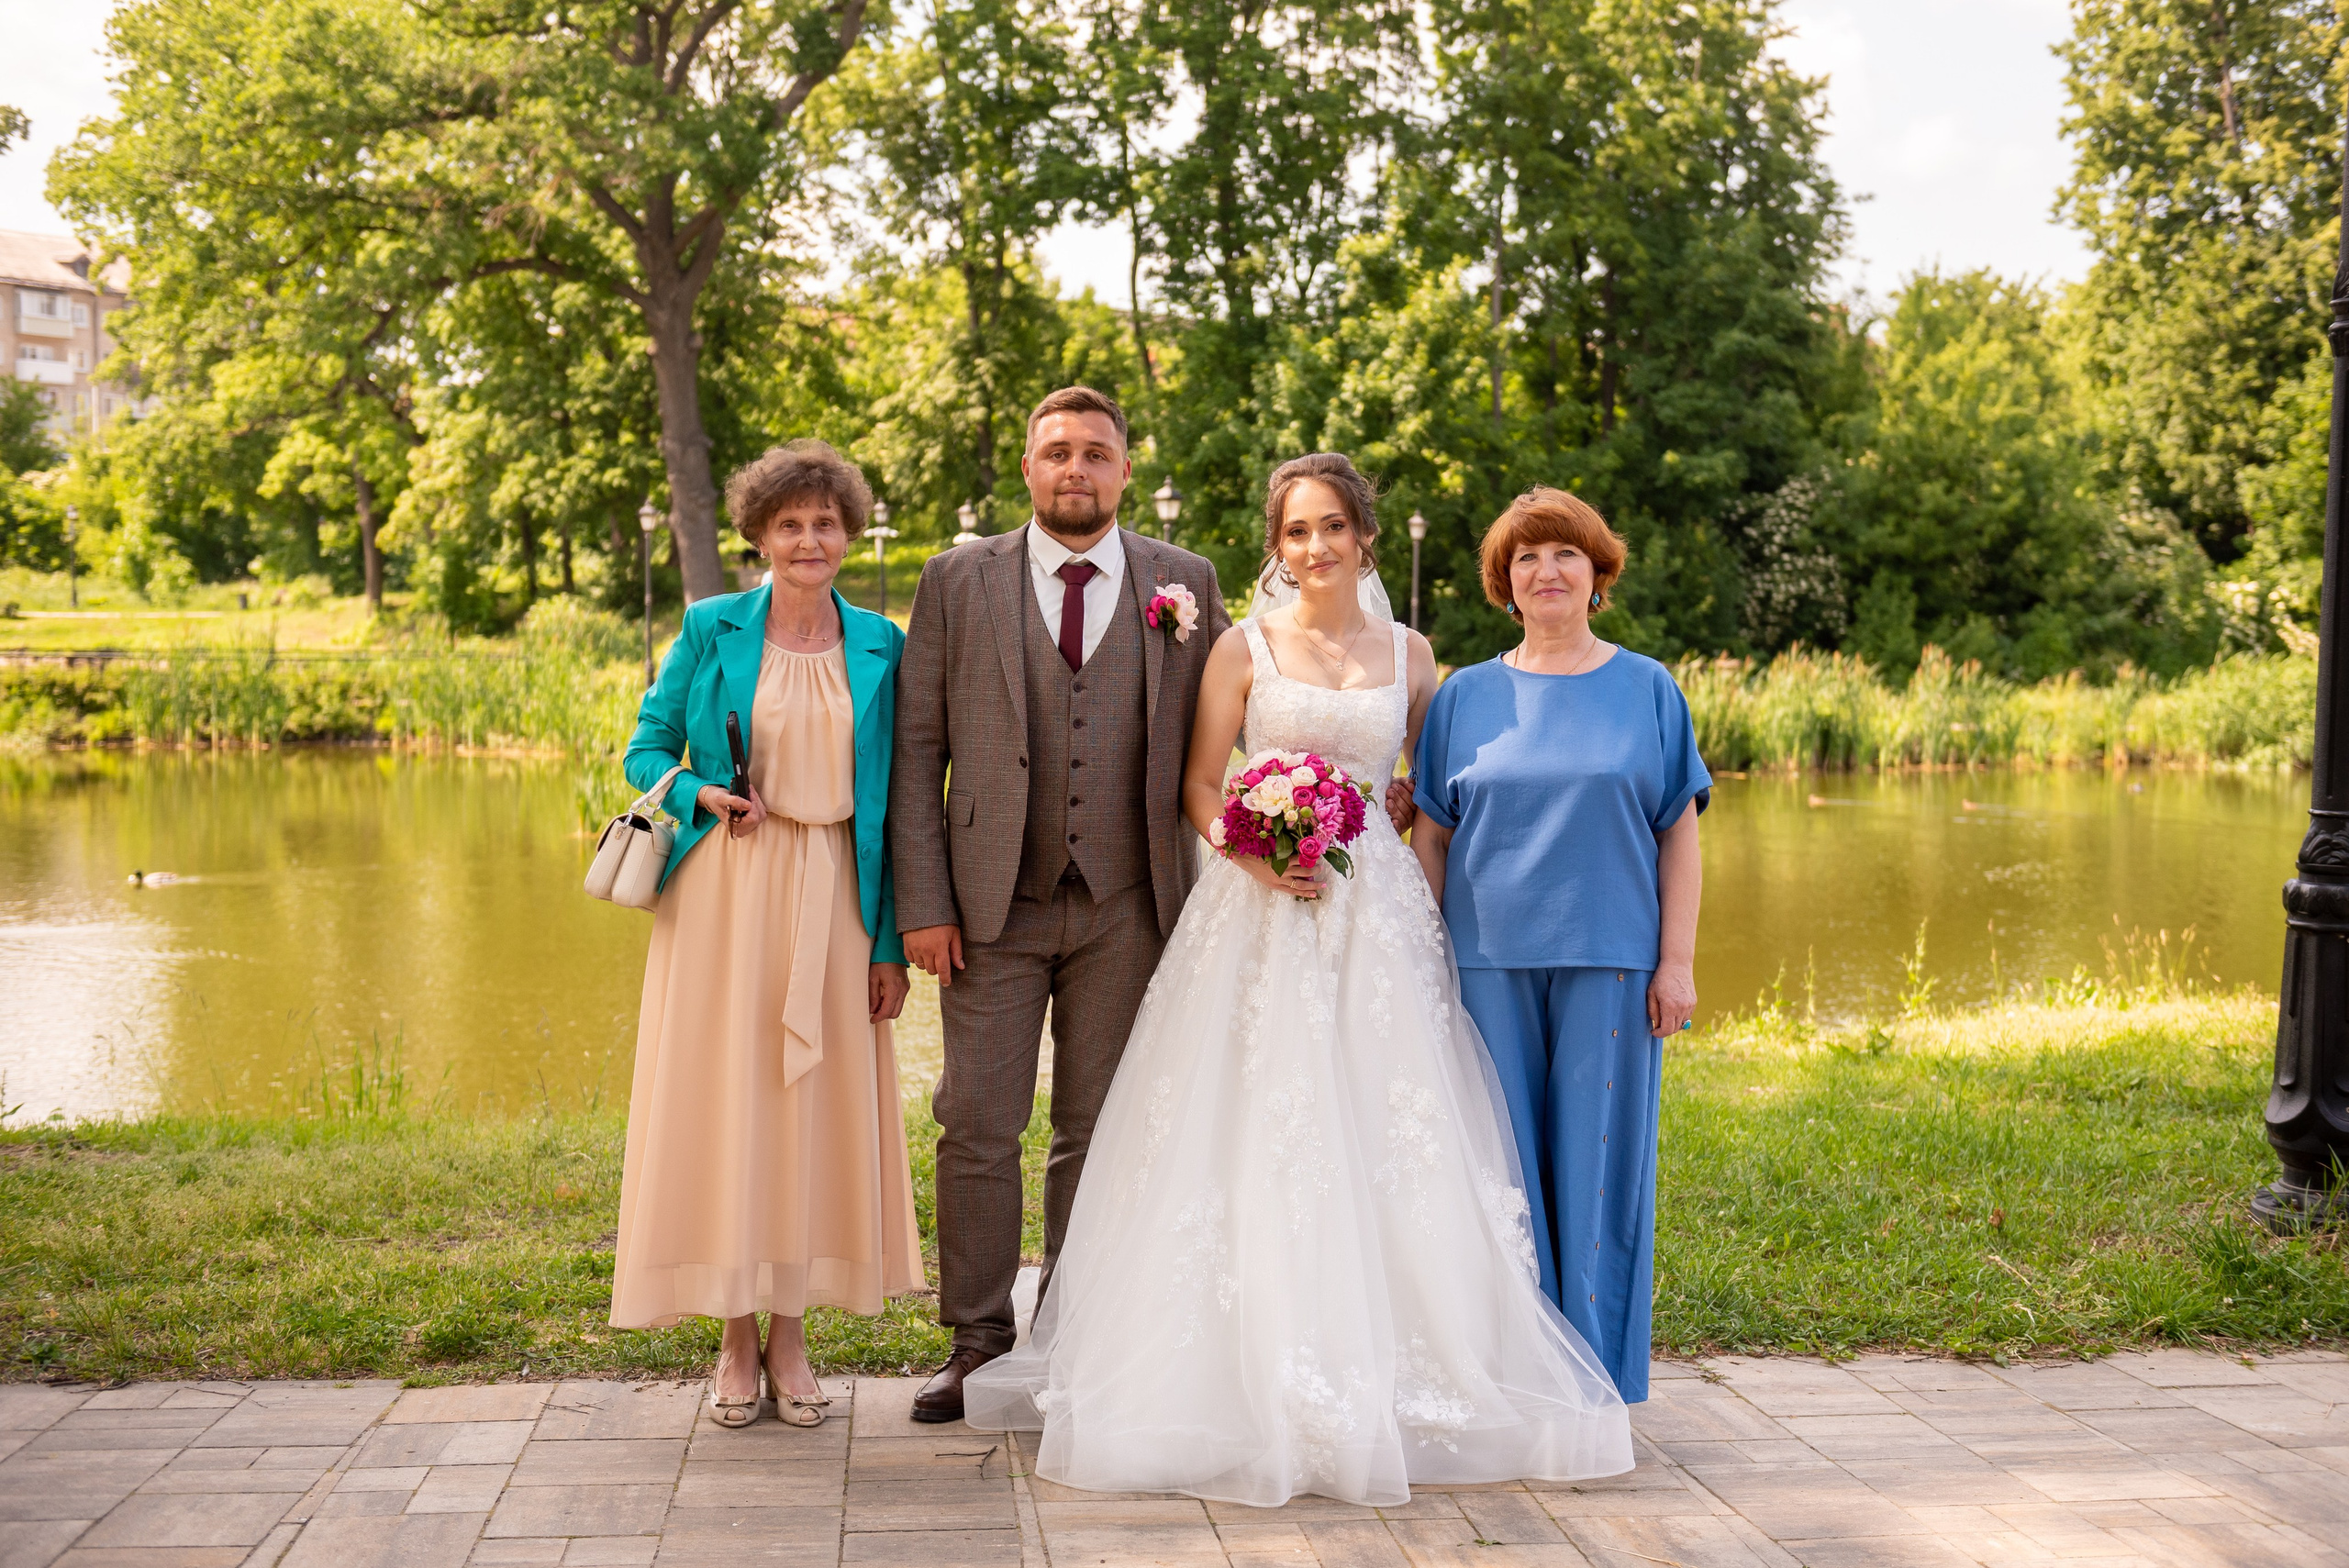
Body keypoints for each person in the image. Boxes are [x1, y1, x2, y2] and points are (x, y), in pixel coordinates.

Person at [962, 453, 1633, 1507]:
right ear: (1275, 546)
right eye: (1293, 532)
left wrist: (1406, 828)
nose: (1313, 547)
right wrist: (1254, 847)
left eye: (1330, 527)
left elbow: (1425, 786)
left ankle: (1412, 1358)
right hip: (1258, 909)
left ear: (1364, 534)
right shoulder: (1241, 647)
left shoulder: (1415, 656)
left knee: (1389, 1120)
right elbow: (1195, 781)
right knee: (1249, 1118)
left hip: (1379, 918)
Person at [889, 385, 1233, 1423]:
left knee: (1099, 1127)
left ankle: (1076, 1340)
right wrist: (924, 900)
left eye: (1094, 452)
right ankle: (977, 1341)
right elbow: (915, 754)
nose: (1073, 468)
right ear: (1028, 470)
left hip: (1132, 899)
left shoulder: (1186, 580)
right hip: (988, 905)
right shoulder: (957, 579)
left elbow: (1240, 715)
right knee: (978, 1124)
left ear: (1126, 469)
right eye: (1054, 453)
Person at [610, 440, 921, 1429]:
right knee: (733, 1107)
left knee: (810, 1112)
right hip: (724, 896)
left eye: (825, 522)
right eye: (789, 523)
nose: (808, 539)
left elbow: (906, 793)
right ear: (758, 536)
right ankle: (733, 1339)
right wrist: (702, 788)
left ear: (848, 532)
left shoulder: (882, 640)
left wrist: (886, 943)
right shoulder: (709, 627)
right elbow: (646, 746)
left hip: (837, 895)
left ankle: (792, 1337)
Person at [1408, 487, 1708, 1404]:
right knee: (1498, 1176)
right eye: (1527, 556)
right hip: (1486, 963)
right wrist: (1424, 957)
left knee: (1600, 1171)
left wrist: (1678, 960)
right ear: (1504, 581)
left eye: (1566, 554)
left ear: (1596, 575)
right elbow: (1430, 836)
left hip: (1612, 962)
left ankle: (1597, 1387)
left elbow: (1678, 831)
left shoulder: (1648, 686)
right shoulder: (1464, 696)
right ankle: (1512, 1376)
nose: (1547, 570)